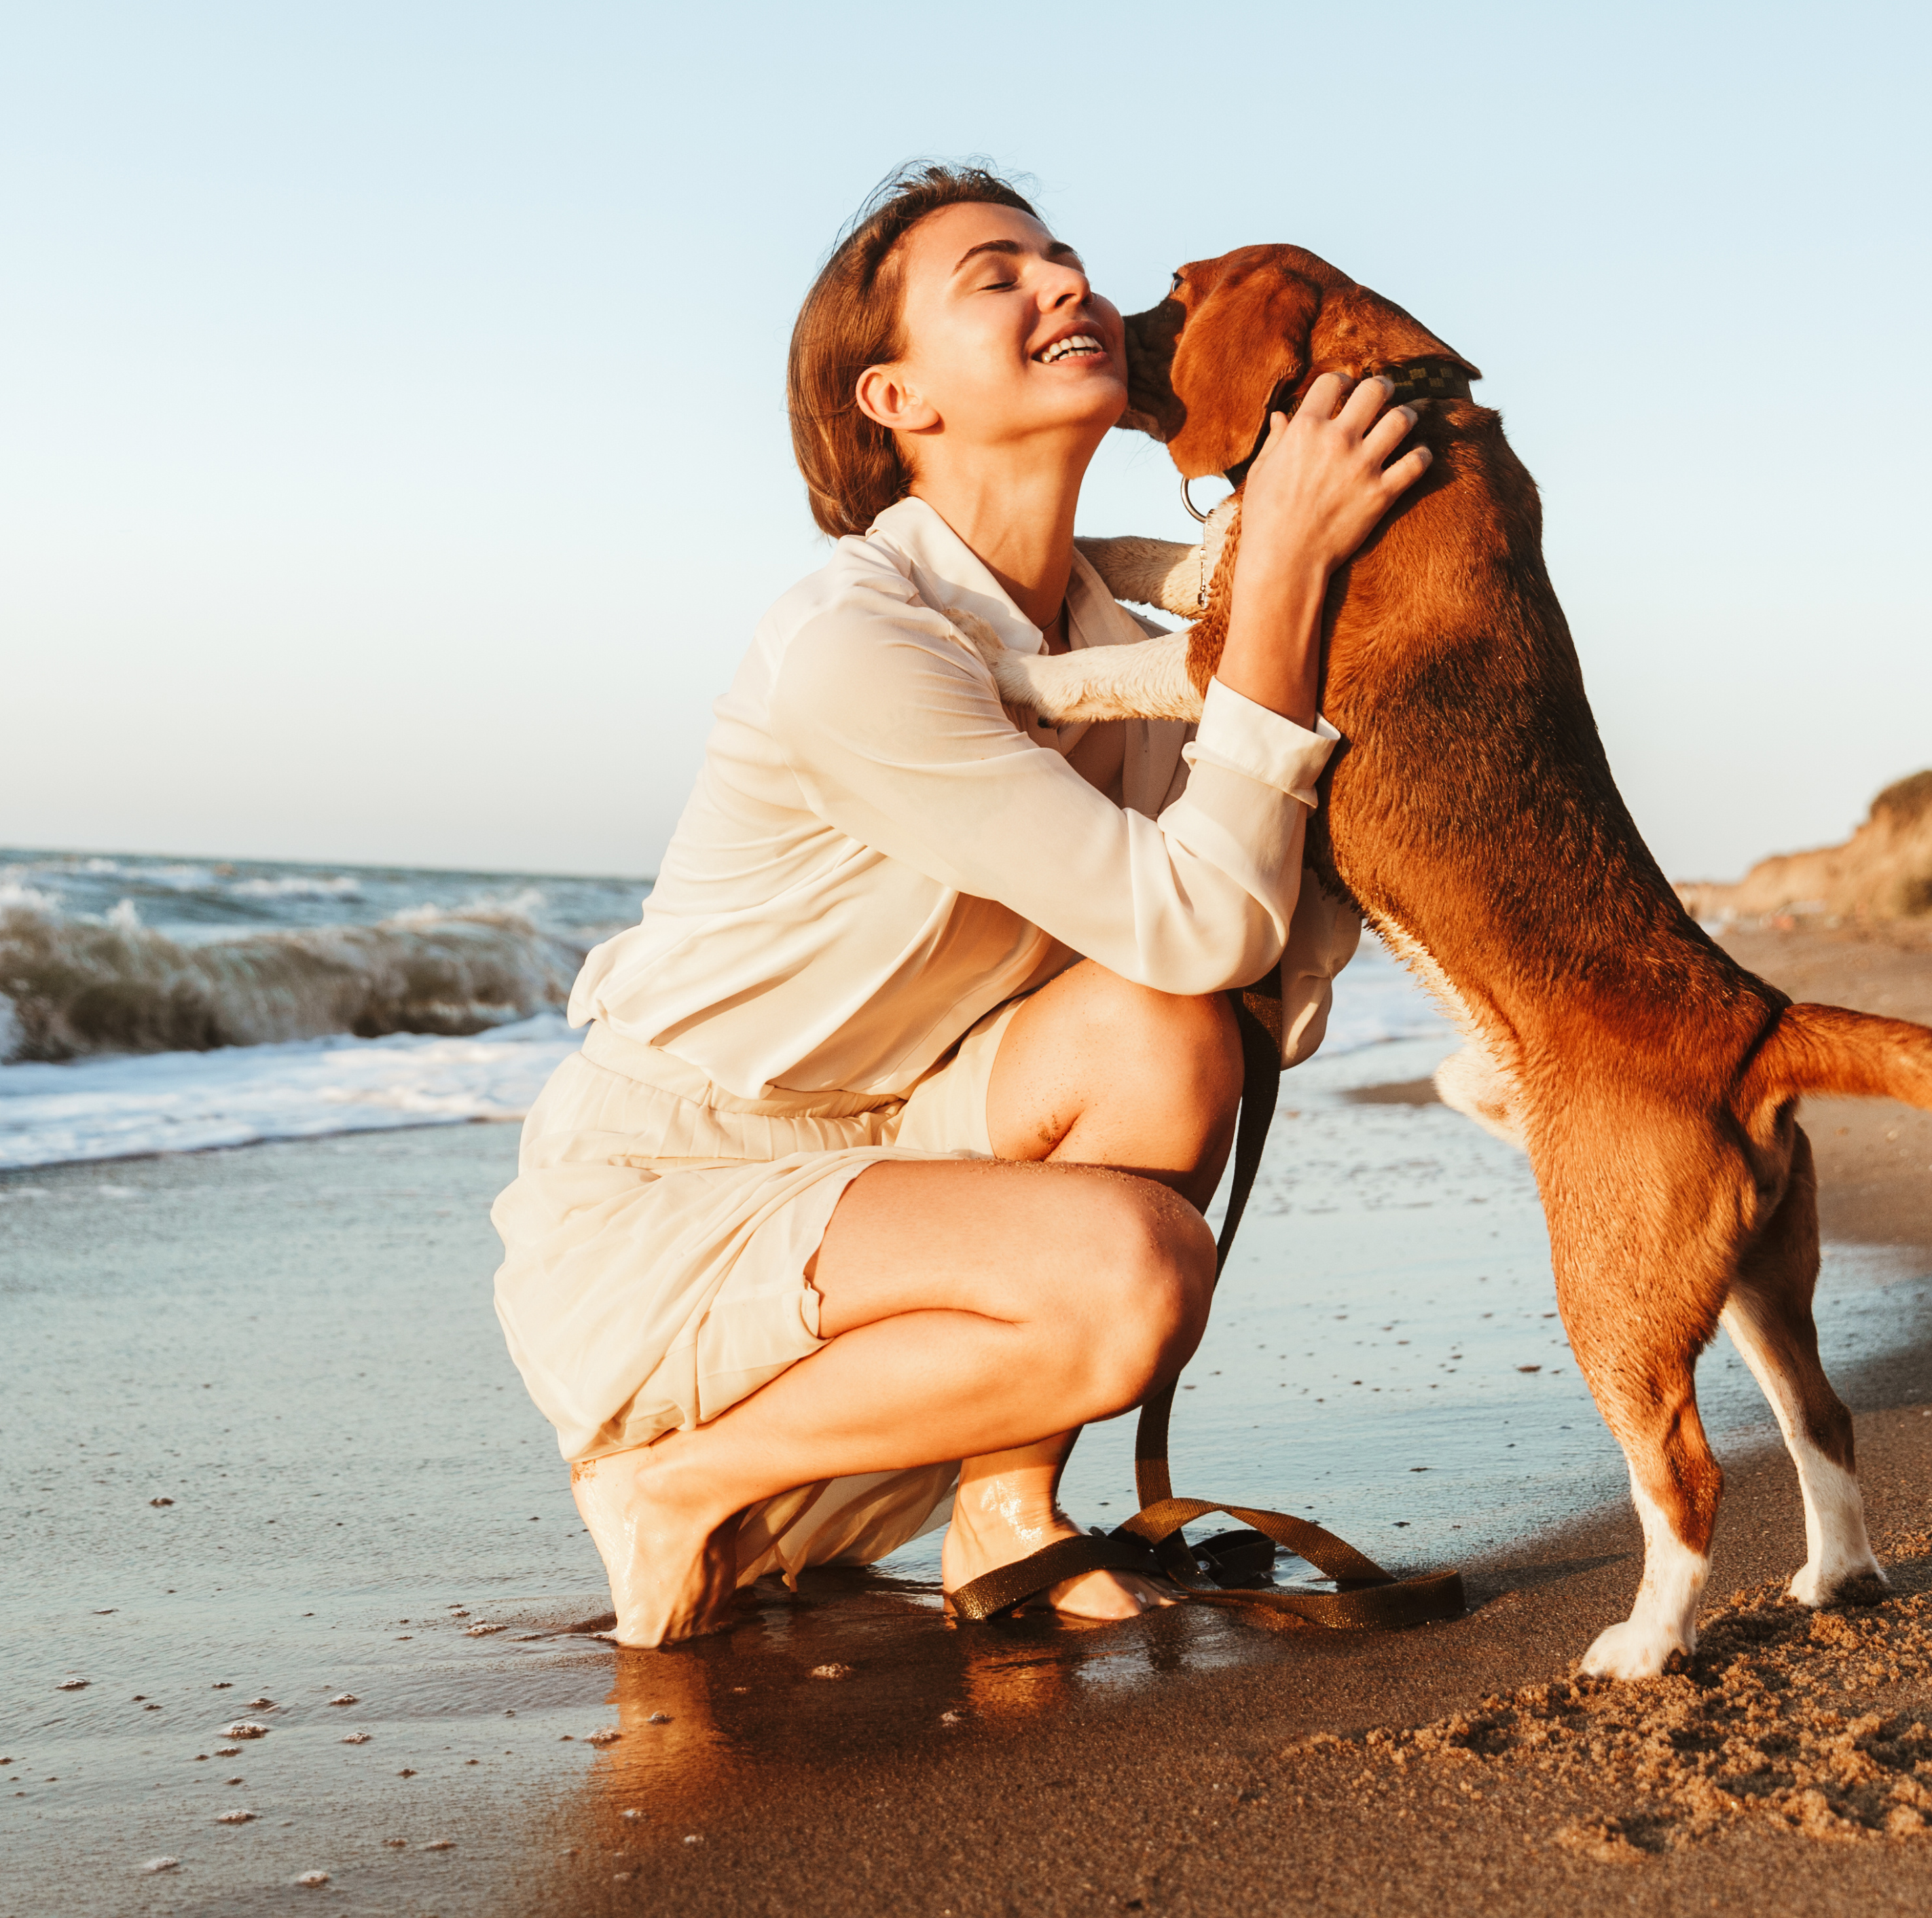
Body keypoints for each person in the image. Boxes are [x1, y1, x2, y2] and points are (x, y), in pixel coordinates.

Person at [490, 163, 1427, 1645]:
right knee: (1135, 1275)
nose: (1063, 283)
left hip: (906, 1151)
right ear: (896, 400)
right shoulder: (854, 643)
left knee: (1168, 1033)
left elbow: (1236, 973)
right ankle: (679, 1481)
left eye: (1061, 258)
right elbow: (1209, 917)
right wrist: (1286, 571)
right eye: (994, 275)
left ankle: (1005, 1506)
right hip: (679, 1200)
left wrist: (1289, 571)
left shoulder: (1104, 633)